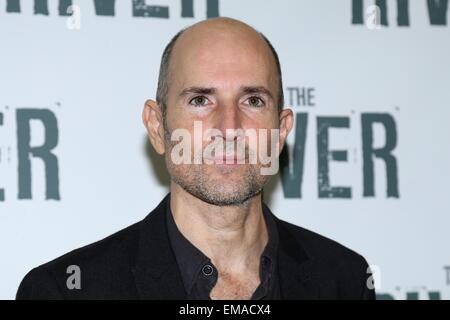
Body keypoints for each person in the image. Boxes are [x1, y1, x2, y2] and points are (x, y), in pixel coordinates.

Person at [16, 17, 375, 300]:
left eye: (253, 101)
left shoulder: (344, 280)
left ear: (280, 131)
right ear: (158, 127)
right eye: (200, 101)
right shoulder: (64, 291)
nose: (229, 127)